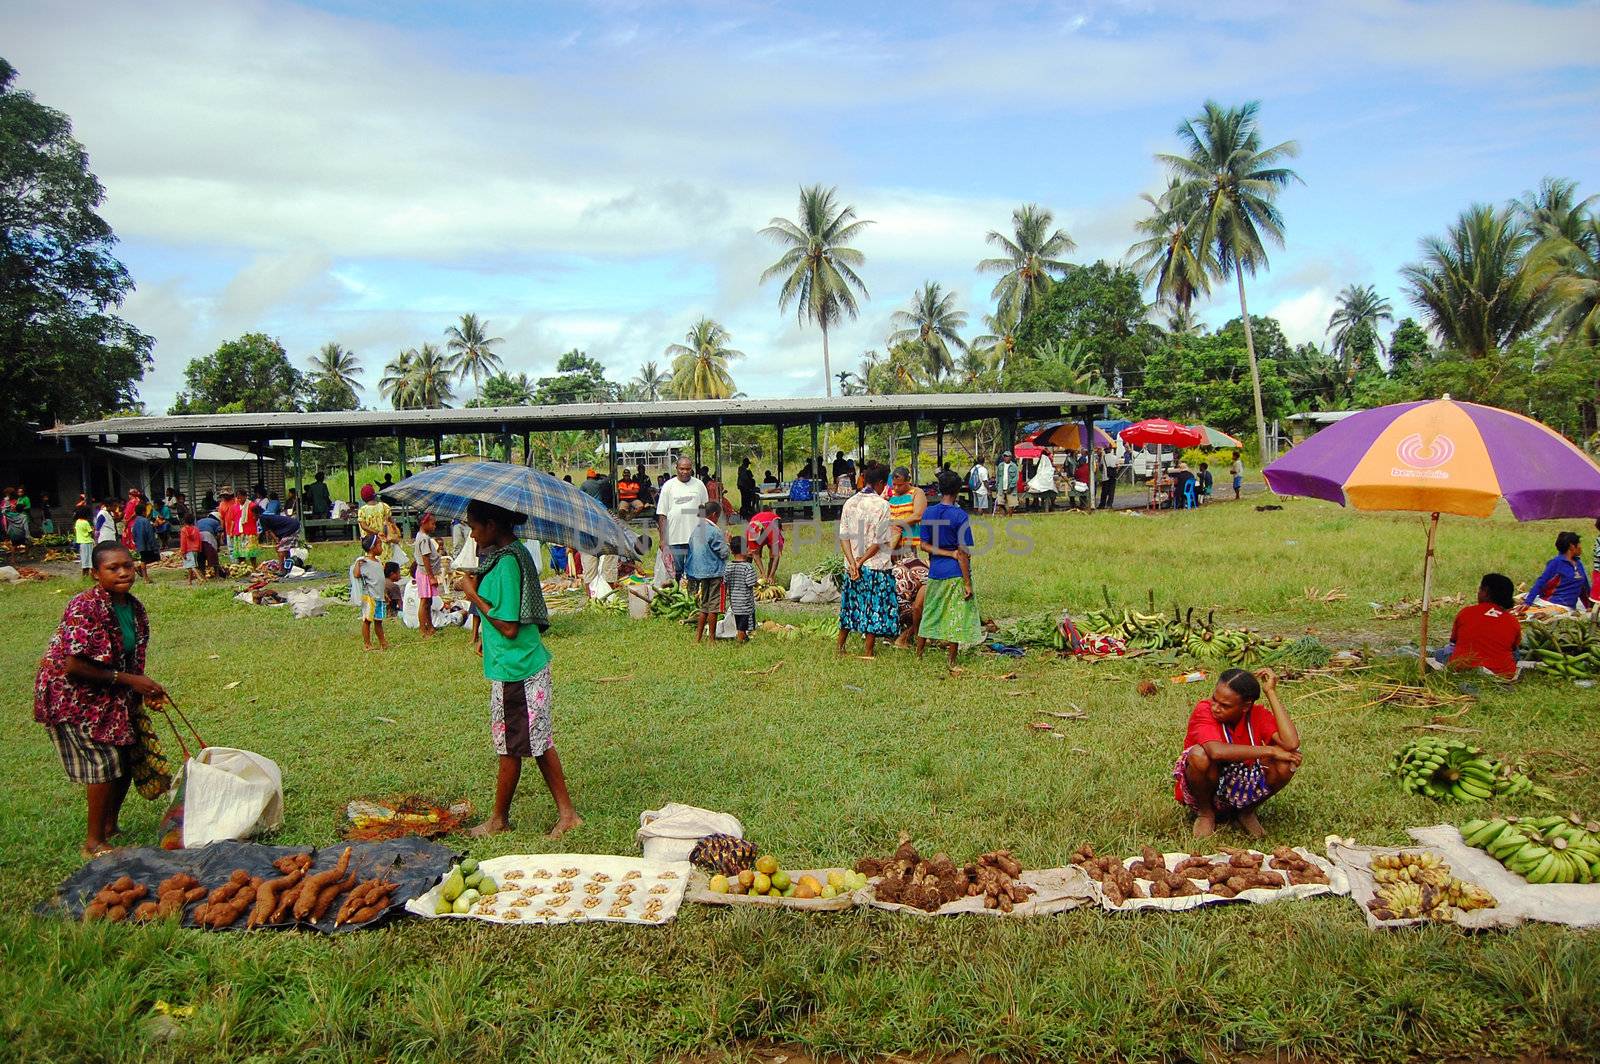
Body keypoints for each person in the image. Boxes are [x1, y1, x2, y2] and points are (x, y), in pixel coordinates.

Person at [33, 541, 168, 858]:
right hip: (72, 695)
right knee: (102, 763)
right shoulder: (84, 607)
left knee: (123, 757)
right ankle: (93, 843)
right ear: (95, 573)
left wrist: (143, 689)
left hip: (109, 694)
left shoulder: (133, 608)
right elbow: (74, 665)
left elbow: (131, 656)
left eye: (128, 566)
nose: (123, 573)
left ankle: (109, 826)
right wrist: (132, 681)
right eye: (113, 568)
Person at [455, 498, 579, 839]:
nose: (472, 534)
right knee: (535, 741)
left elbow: (508, 625)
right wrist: (484, 636)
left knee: (512, 747)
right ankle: (566, 813)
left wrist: (472, 595)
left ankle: (499, 820)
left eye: (475, 527)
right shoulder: (509, 555)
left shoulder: (508, 562)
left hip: (518, 669)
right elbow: (508, 615)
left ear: (493, 525)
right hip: (518, 663)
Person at [1174, 667, 1300, 838]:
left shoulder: (1257, 714)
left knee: (1288, 762)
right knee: (1199, 755)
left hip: (1241, 782)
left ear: (1246, 706)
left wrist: (1270, 692)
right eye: (1215, 700)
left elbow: (1291, 743)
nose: (1216, 708)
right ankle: (1206, 813)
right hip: (1209, 780)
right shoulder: (1204, 710)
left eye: (1225, 705)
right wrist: (1271, 750)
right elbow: (1216, 751)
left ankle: (1246, 812)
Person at [916, 471, 982, 669]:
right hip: (955, 574)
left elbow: (923, 546)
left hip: (935, 571)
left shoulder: (928, 513)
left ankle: (919, 654)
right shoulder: (959, 516)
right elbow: (962, 553)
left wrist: (944, 553)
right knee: (955, 616)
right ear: (957, 490)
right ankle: (951, 660)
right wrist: (968, 582)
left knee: (930, 612)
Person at [837, 463, 897, 658]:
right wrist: (861, 561)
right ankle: (868, 651)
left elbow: (844, 537)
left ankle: (840, 647)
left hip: (852, 566)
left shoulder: (850, 502)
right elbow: (878, 542)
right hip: (875, 566)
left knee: (849, 606)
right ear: (880, 482)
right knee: (873, 608)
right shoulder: (882, 505)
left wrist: (853, 562)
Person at [1433, 574, 1521, 678]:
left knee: (1440, 653)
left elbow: (1453, 642)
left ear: (1486, 592)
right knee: (1516, 653)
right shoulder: (1513, 622)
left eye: (1480, 589)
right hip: (1502, 674)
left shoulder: (1466, 612)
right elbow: (1513, 648)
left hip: (1462, 668)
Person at [655, 456, 707, 583]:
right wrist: (662, 539)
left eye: (688, 469)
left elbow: (705, 511)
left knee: (695, 570)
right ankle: (677, 593)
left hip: (695, 536)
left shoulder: (699, 485)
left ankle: (693, 593)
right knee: (676, 571)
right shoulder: (668, 486)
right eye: (682, 469)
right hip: (674, 536)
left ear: (692, 470)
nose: (685, 472)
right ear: (676, 468)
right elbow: (662, 514)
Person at [686, 502, 729, 644]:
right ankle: (711, 638)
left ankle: (698, 637)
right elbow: (723, 553)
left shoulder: (696, 530)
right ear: (714, 515)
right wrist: (727, 542)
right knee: (714, 606)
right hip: (715, 573)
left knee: (704, 605)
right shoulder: (714, 531)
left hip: (700, 572)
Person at [1524, 531, 1593, 611]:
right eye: (1579, 543)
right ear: (1571, 546)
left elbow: (1585, 588)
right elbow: (1541, 582)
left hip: (1570, 607)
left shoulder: (1578, 564)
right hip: (1553, 604)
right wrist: (1528, 602)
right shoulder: (1556, 563)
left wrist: (1590, 606)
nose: (1581, 547)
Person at [350, 534, 388, 652]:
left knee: (378, 621)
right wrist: (358, 564)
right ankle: (367, 644)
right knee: (367, 620)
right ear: (373, 548)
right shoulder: (364, 562)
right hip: (370, 597)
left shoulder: (378, 562)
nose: (382, 548)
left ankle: (383, 642)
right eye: (380, 545)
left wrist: (385, 593)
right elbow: (356, 574)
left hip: (379, 596)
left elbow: (381, 580)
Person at [724, 535, 759, 642]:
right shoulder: (748, 567)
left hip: (734, 602)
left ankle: (744, 637)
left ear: (732, 551)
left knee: (739, 622)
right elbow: (751, 582)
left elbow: (725, 581)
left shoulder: (728, 566)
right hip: (745, 603)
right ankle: (740, 641)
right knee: (742, 625)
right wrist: (757, 583)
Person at [886, 466, 927, 557]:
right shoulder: (890, 494)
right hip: (891, 541)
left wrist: (896, 523)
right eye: (894, 484)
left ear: (908, 481)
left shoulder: (916, 492)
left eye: (900, 485)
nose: (896, 488)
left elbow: (918, 515)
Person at [357, 484, 401, 564]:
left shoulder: (362, 510)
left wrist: (376, 532)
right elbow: (391, 522)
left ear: (363, 498)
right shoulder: (384, 506)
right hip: (385, 539)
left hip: (371, 543)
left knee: (373, 562)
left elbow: (363, 526)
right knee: (387, 560)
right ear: (374, 495)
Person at [413, 512, 441, 638]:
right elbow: (425, 558)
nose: (434, 526)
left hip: (425, 573)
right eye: (432, 523)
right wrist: (431, 577)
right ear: (424, 523)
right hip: (425, 574)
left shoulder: (422, 536)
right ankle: (423, 629)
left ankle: (430, 626)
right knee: (424, 602)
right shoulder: (424, 539)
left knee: (428, 602)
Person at [746, 510, 784, 583]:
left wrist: (771, 575)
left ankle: (770, 577)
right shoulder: (750, 533)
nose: (758, 543)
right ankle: (747, 576)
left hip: (773, 521)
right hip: (758, 523)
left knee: (773, 554)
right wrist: (762, 573)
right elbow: (755, 554)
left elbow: (776, 556)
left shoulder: (773, 531)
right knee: (749, 554)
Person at [130, 504, 159, 582]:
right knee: (145, 559)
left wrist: (136, 541)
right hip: (146, 544)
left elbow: (133, 533)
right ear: (144, 512)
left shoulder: (136, 521)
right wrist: (153, 545)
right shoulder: (145, 521)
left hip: (140, 543)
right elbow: (149, 534)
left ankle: (139, 567)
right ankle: (146, 578)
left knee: (147, 559)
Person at [195, 509, 223, 579]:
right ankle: (217, 575)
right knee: (212, 554)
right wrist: (217, 545)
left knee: (200, 556)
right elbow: (219, 534)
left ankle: (202, 575)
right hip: (208, 535)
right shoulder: (216, 522)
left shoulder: (199, 521)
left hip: (197, 536)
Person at [216, 488, 239, 560]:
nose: (224, 497)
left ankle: (240, 560)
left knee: (239, 546)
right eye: (223, 495)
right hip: (228, 528)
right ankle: (234, 562)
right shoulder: (222, 504)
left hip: (238, 527)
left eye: (226, 495)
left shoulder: (237, 501)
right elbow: (222, 518)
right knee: (231, 547)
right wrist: (222, 530)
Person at [179, 513, 203, 585]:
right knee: (191, 565)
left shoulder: (183, 530)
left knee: (191, 566)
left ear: (184, 521)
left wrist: (183, 552)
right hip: (195, 549)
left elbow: (183, 542)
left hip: (188, 550)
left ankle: (200, 578)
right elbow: (199, 539)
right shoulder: (196, 529)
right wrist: (199, 549)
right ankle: (189, 581)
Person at [995, 451, 1020, 516]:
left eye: (1008, 456)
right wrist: (997, 486)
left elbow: (1016, 478)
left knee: (1011, 504)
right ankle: (1004, 514)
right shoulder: (1000, 465)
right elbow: (997, 476)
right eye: (1005, 456)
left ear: (1010, 457)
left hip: (1011, 488)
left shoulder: (1014, 466)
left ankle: (1009, 517)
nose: (1006, 458)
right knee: (1000, 503)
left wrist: (1011, 487)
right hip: (1001, 487)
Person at [73, 506, 95, 574]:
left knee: (84, 558)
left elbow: (75, 530)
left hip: (81, 543)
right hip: (87, 542)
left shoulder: (77, 522)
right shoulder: (86, 522)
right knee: (90, 558)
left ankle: (84, 573)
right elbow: (90, 532)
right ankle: (91, 573)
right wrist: (93, 529)